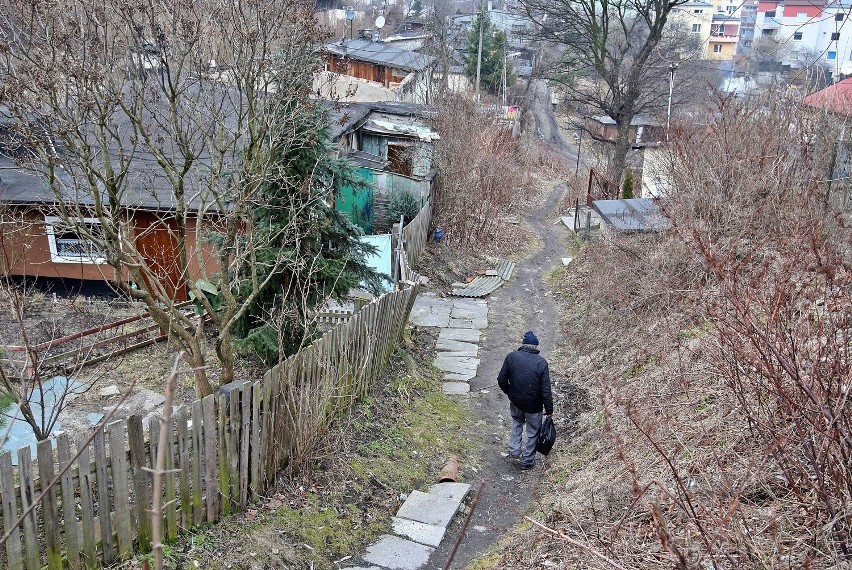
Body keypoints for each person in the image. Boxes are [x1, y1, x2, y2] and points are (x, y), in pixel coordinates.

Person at [497, 330, 553, 470]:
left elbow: (501, 379)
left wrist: (510, 392)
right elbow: (545, 390)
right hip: (534, 406)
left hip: (516, 401)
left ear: (523, 344)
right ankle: (527, 461)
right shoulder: (541, 363)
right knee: (533, 431)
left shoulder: (512, 357)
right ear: (535, 346)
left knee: (517, 422)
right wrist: (549, 410)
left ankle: (515, 450)